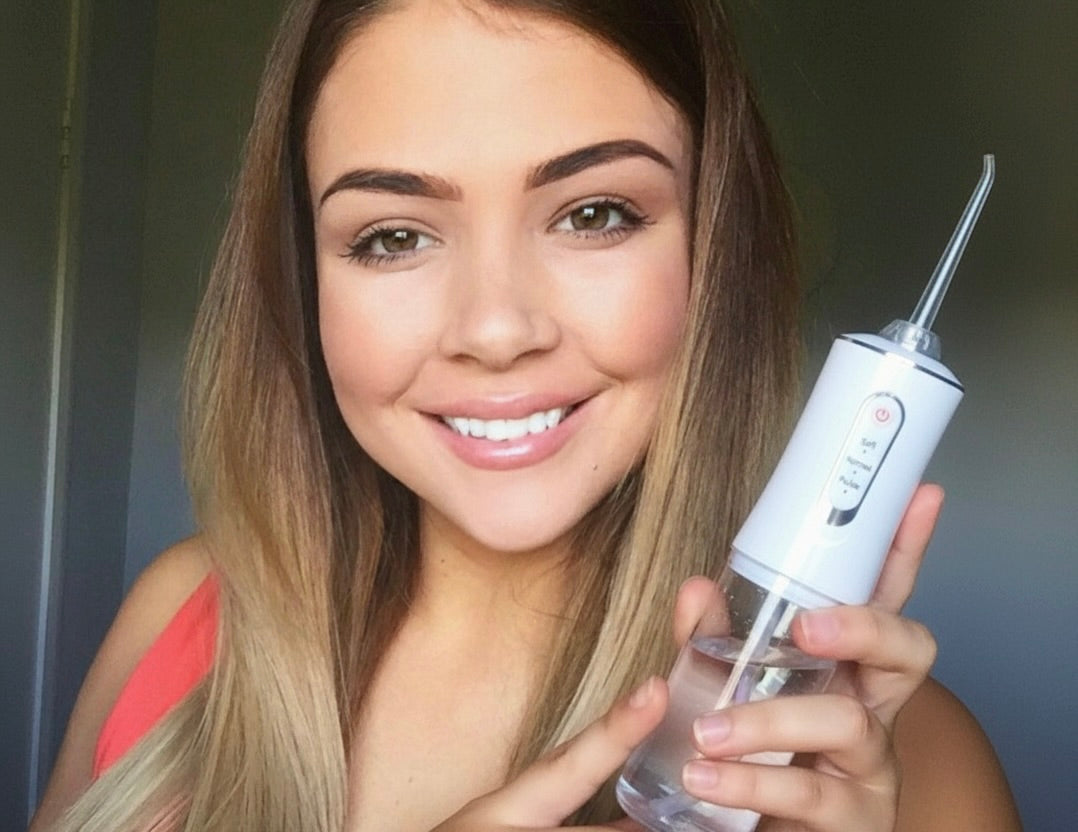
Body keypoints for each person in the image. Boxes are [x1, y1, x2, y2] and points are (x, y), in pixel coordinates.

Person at [30, 1, 1023, 830]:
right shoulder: (183, 621)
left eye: (594, 214)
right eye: (393, 236)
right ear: (304, 281)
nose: (495, 330)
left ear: (715, 253)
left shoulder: (907, 775)